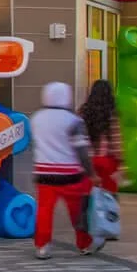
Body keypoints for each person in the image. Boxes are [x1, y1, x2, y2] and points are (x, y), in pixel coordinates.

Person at [31, 81, 98, 258]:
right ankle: (84, 243)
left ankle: (42, 246)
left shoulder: (37, 118)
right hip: (71, 175)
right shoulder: (74, 121)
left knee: (44, 211)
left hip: (44, 173)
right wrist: (91, 173)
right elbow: (82, 150)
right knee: (78, 212)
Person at [79, 79, 123, 193]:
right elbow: (116, 142)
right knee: (107, 199)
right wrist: (121, 163)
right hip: (107, 163)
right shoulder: (111, 113)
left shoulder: (83, 112)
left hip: (87, 162)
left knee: (87, 196)